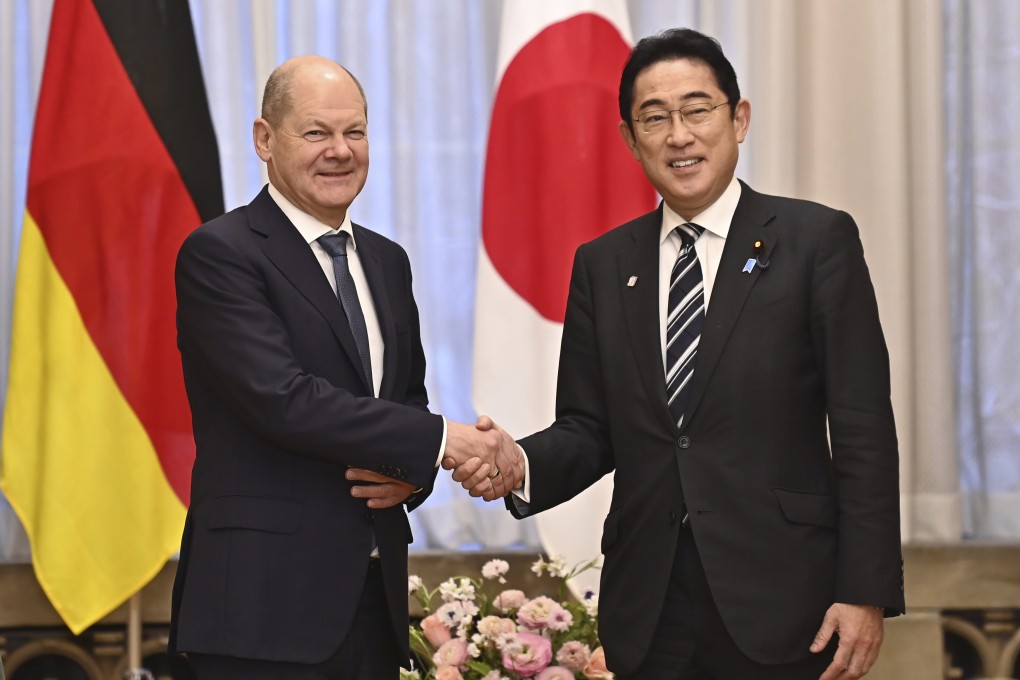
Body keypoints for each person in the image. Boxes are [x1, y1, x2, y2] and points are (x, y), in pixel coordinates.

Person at [451, 28, 903, 680]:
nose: (679, 136)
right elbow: (590, 428)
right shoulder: (604, 265)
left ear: (738, 119)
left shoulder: (815, 241)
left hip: (785, 602)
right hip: (650, 607)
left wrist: (865, 589)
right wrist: (518, 463)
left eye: (697, 110)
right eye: (655, 118)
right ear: (630, 139)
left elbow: (863, 428)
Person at [168, 55, 521, 679]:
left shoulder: (387, 261)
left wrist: (412, 475)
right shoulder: (221, 253)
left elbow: (404, 402)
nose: (340, 150)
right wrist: (444, 440)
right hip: (260, 611)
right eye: (316, 132)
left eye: (354, 132)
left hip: (372, 601)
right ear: (264, 140)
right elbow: (283, 399)